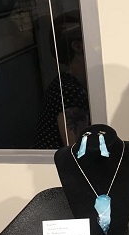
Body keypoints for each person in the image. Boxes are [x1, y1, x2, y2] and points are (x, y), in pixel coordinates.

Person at [32, 10, 90, 149]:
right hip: (49, 162)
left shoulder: (67, 83)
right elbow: (79, 151)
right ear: (78, 46)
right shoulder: (70, 91)